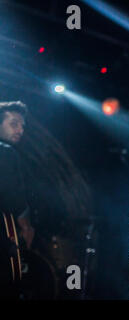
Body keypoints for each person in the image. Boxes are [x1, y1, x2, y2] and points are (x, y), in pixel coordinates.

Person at [0, 101, 35, 298]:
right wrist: (26, 226)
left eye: (22, 125)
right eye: (14, 124)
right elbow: (12, 195)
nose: (20, 130)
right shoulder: (6, 152)